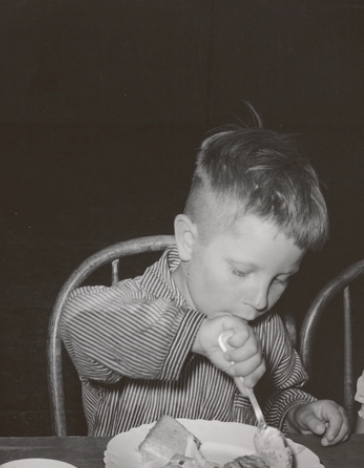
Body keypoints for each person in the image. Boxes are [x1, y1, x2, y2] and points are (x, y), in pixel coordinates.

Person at [60, 122, 350, 446]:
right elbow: (77, 320)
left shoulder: (267, 325)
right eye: (241, 272)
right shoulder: (137, 301)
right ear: (187, 240)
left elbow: (273, 396)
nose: (260, 300)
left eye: (281, 279)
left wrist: (297, 412)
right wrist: (195, 335)